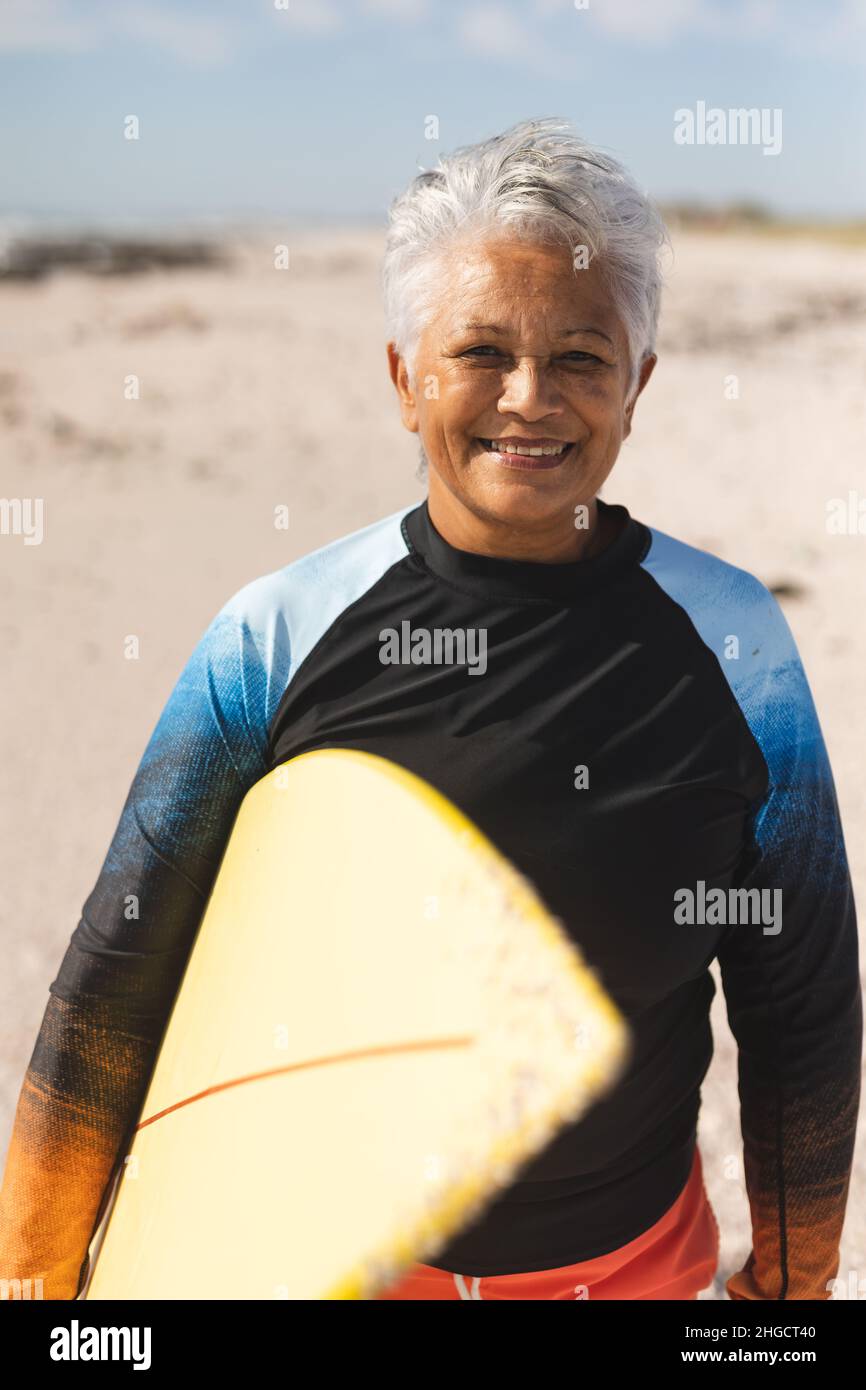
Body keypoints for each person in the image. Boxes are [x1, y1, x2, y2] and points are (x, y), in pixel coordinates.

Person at [0, 118, 860, 1301]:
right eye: (480, 351)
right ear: (404, 378)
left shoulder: (733, 644)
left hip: (631, 1274)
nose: (529, 397)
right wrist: (41, 1286)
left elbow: (801, 998)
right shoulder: (277, 635)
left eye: (579, 357)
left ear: (638, 385)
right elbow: (114, 983)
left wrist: (789, 1289)